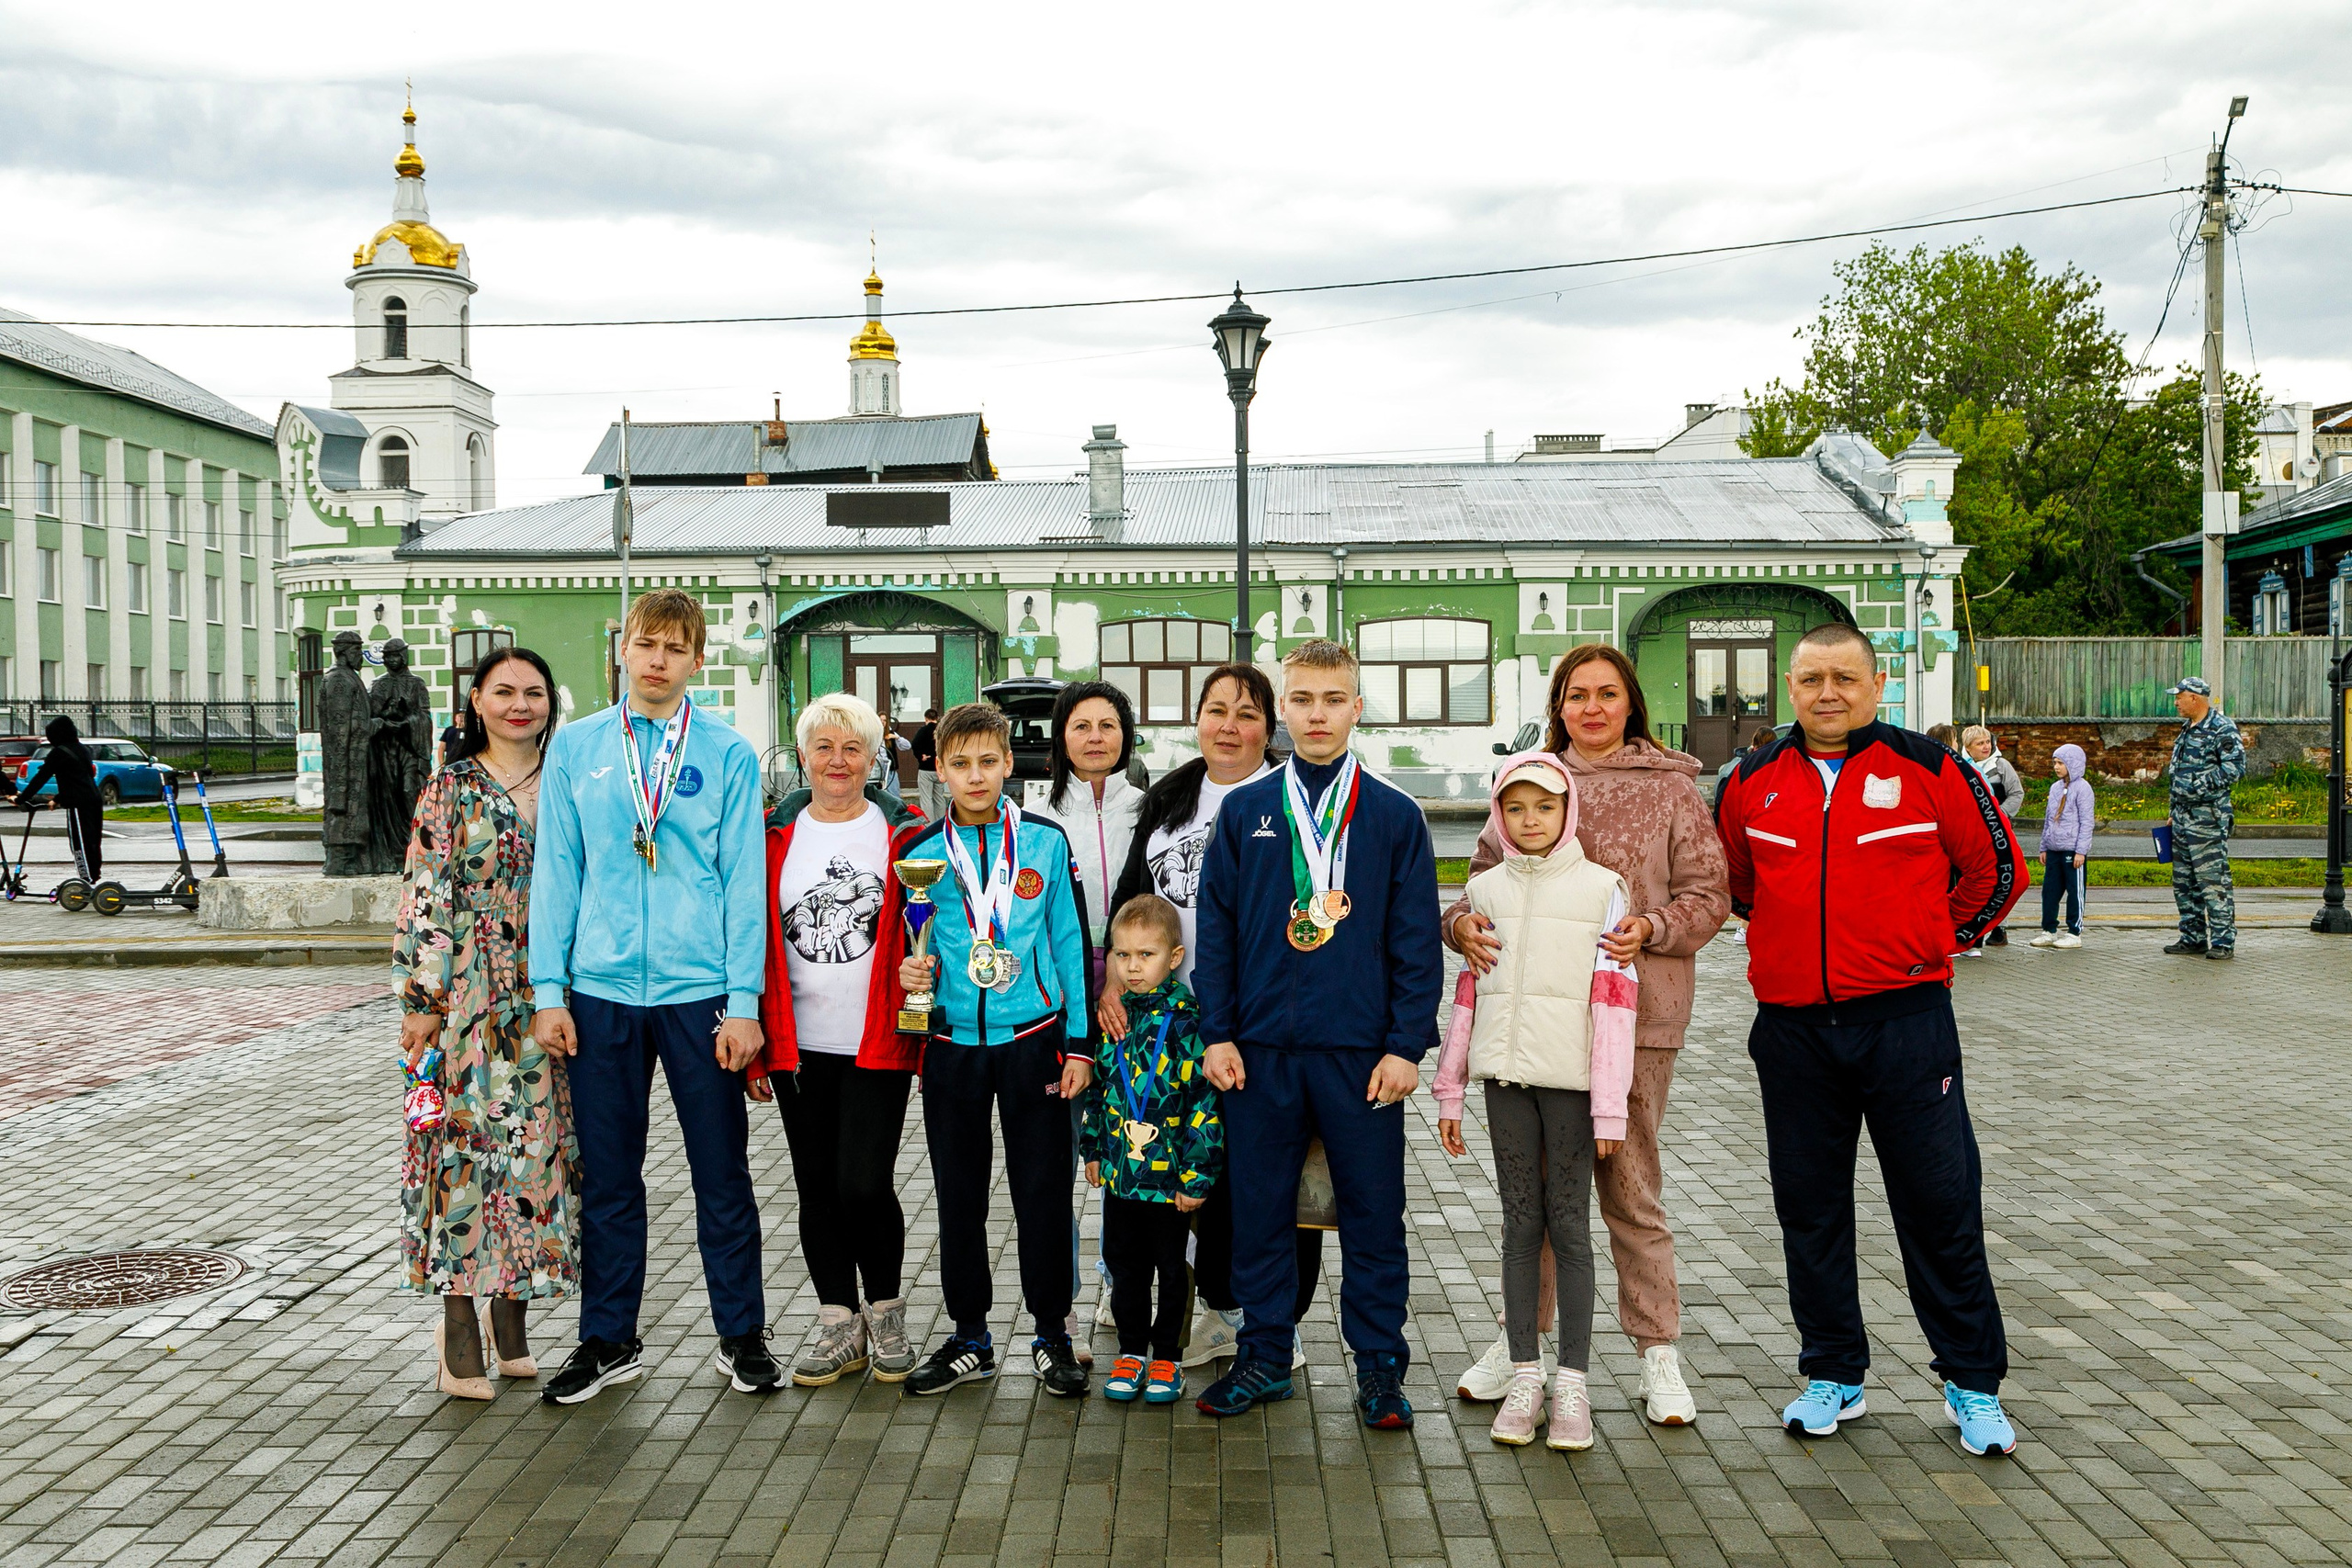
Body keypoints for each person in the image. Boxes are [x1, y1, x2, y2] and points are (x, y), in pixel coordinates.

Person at [1714, 621, 2027, 1457]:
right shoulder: (1750, 780)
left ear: (1876, 684)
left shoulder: (1931, 769)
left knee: (1940, 1205)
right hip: (1794, 1034)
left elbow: (1996, 874)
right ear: (1790, 687)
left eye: (1845, 678)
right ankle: (1833, 1374)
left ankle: (1972, 1385)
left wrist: (1928, 942)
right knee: (1810, 1210)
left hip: (1907, 1027)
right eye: (1812, 678)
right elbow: (1739, 884)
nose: (1828, 693)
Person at [1444, 644, 1728, 1427]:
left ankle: (1657, 1350)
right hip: (1531, 1027)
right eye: (1577, 695)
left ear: (1630, 702)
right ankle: (1521, 1343)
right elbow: (1475, 884)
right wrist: (1459, 924)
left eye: (1608, 693)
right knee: (1534, 1197)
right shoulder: (1527, 780)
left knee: (1629, 1189)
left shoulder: (1672, 788)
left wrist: (1655, 924)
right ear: (1559, 705)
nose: (1592, 708)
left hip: (1633, 1024)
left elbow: (1712, 893)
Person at [527, 589, 779, 1404]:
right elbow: (558, 873)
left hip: (701, 991)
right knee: (608, 1176)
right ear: (623, 650)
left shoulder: (730, 754)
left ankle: (741, 1334)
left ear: (697, 659)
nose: (658, 659)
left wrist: (745, 1000)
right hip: (599, 992)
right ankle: (607, 1339)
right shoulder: (578, 749)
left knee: (722, 1173)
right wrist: (549, 988)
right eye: (645, 643)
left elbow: (744, 883)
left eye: (675, 647)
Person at [1193, 638, 1442, 1428]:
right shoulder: (1246, 810)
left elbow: (1415, 940)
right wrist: (1219, 1033)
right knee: (1260, 1211)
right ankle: (1265, 1355)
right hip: (1259, 1055)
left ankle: (1379, 1370)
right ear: (1283, 712)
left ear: (1356, 707)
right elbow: (1218, 932)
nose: (1317, 714)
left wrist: (1407, 1045)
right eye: (1302, 699)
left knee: (1372, 1213)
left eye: (1333, 699)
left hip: (1361, 1058)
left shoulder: (1397, 815)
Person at [1100, 662, 1320, 1371]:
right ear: (1197, 720)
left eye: (1248, 713)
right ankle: (1180, 1294)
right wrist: (1113, 978)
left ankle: (1261, 1313)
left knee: (1258, 1171)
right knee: (1174, 1166)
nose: (1230, 725)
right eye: (1217, 710)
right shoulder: (1168, 797)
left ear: (1270, 725)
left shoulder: (1293, 799)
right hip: (1166, 1024)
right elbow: (1131, 898)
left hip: (1254, 1022)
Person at [1432, 754, 1638, 1450]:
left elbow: (1616, 1003)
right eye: (1516, 808)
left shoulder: (1603, 888)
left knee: (1569, 1225)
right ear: (1499, 815)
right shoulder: (1482, 891)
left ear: (1567, 810)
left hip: (1574, 1087)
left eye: (1544, 807)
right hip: (1507, 1082)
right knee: (1521, 1223)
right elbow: (1467, 995)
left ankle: (1573, 1384)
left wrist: (1610, 1106)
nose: (1530, 820)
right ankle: (1526, 1373)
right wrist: (1450, 1087)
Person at [892, 702, 1095, 1397]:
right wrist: (911, 976)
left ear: (1011, 764)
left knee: (1042, 1190)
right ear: (938, 769)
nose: (974, 776)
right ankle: (970, 1335)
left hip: (1034, 1040)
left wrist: (1079, 1045)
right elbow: (908, 953)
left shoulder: (1043, 840)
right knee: (959, 1195)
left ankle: (1052, 1331)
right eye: (959, 764)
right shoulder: (919, 854)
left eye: (987, 762)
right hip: (952, 1045)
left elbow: (1069, 942)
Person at [395, 648, 577, 1399]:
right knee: (462, 1160)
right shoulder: (448, 789)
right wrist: (421, 1004)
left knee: (535, 1158)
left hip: (550, 995)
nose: (519, 704)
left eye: (533, 691)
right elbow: (424, 897)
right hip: (470, 998)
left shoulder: (567, 780)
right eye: (503, 691)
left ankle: (513, 1317)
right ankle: (458, 1330)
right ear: (474, 700)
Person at [751, 692, 927, 1388]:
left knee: (863, 1179)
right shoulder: (772, 835)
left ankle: (884, 1309)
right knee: (816, 1182)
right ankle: (836, 1320)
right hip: (799, 1040)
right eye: (823, 747)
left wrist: (926, 963)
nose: (837, 760)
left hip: (876, 1037)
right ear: (802, 757)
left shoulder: (904, 833)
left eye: (852, 747)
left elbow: (932, 921)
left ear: (873, 757)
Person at [1030, 679, 1143, 1356]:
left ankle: (1115, 1281)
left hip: (1133, 1001)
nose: (1095, 736)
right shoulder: (1033, 815)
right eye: (1081, 725)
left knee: (1127, 1152)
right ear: (1061, 737)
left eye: (1108, 723)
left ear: (1126, 735)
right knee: (1054, 1163)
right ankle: (1058, 1306)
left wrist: (1125, 982)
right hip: (1060, 1010)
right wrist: (1080, 989)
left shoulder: (1152, 808)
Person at [1080, 895, 1222, 1405]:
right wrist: (1093, 1148)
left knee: (1170, 1266)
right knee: (1124, 1266)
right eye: (1122, 955)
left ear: (1175, 957)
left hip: (1170, 1184)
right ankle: (1132, 1350)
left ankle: (1168, 1356)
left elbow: (1206, 1107)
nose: (1133, 967)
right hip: (1121, 1176)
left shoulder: (1189, 1023)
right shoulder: (1112, 1019)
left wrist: (1196, 1178)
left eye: (1146, 955)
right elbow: (1099, 1089)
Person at [2164, 676, 2244, 960]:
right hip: (2183, 818)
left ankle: (2223, 941)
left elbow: (2233, 770)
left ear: (2195, 698)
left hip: (2207, 818)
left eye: (2179, 697)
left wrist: (2195, 785)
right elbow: (2177, 773)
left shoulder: (2221, 729)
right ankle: (2193, 936)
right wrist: (2174, 809)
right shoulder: (2187, 730)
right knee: (2184, 881)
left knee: (2212, 881)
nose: (2176, 702)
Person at [11, 716, 103, 881]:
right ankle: (94, 875)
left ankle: (86, 880)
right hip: (94, 799)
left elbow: (41, 777)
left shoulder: (59, 753)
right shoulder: (83, 749)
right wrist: (58, 799)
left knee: (79, 843)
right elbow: (80, 778)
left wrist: (20, 798)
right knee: (93, 841)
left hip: (78, 804)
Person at [1961, 728, 2025, 948]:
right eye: (1980, 743)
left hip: (1998, 831)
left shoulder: (2001, 766)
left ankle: (1999, 927)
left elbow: (2017, 793)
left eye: (1987, 742)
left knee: (2000, 878)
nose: (1986, 746)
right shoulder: (1962, 766)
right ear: (1968, 747)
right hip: (1972, 833)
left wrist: (2000, 814)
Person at [2031, 743, 2094, 950]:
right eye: (2055, 763)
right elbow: (2049, 819)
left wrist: (2081, 851)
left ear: (2073, 764)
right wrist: (2044, 846)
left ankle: (2074, 932)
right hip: (2054, 848)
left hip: (2072, 850)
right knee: (2049, 891)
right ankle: (2049, 930)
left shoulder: (2083, 789)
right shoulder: (2055, 788)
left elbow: (2087, 822)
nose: (2056, 767)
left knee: (2075, 892)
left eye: (2061, 763)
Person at [912, 707, 945, 821]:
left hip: (925, 769)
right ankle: (941, 823)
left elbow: (915, 744)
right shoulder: (942, 731)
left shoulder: (923, 731)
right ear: (937, 718)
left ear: (926, 719)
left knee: (926, 799)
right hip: (940, 769)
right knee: (939, 798)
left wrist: (921, 756)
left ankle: (928, 825)